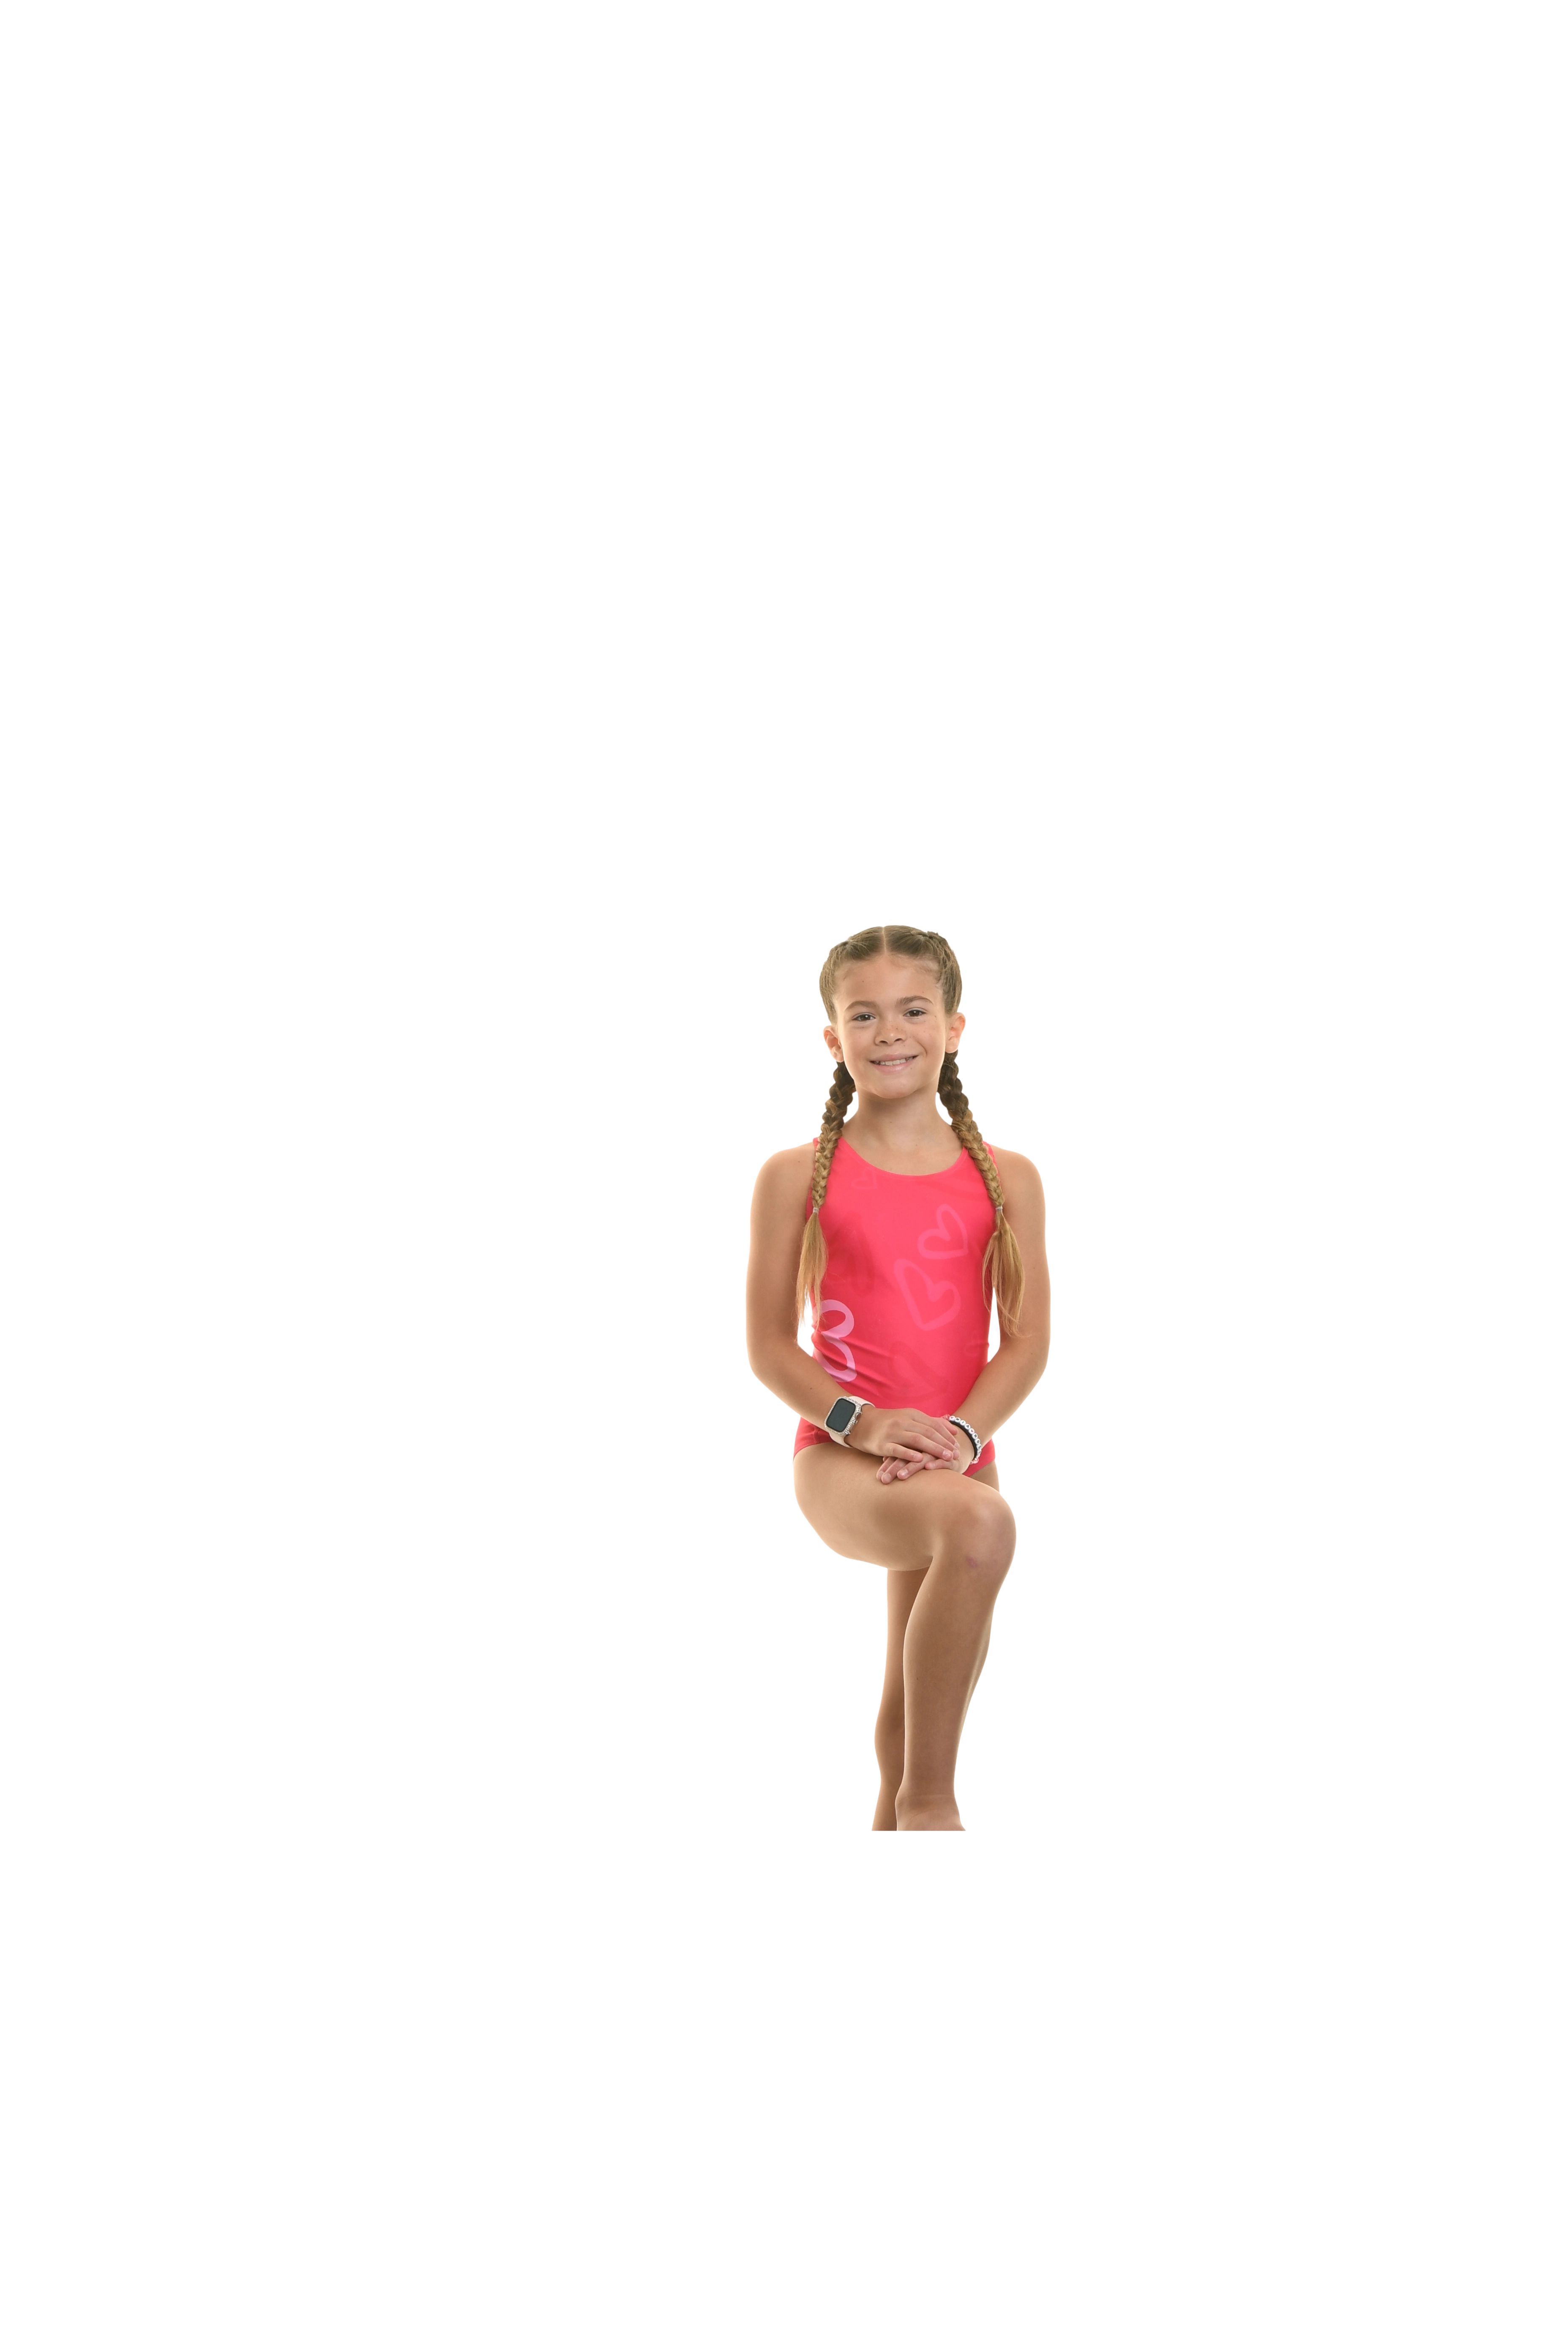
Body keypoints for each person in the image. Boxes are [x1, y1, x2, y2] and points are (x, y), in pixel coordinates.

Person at [746, 924, 1052, 1832]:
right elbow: (768, 1345)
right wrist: (861, 1421)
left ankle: (898, 1820)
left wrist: (961, 1436)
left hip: (959, 1457)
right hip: (842, 1457)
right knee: (981, 1525)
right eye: (863, 1015)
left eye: (913, 1010)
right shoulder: (797, 1176)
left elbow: (1027, 1341)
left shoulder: (1008, 1179)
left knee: (914, 1708)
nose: (889, 1032)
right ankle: (931, 1810)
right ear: (832, 1038)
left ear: (954, 1027)